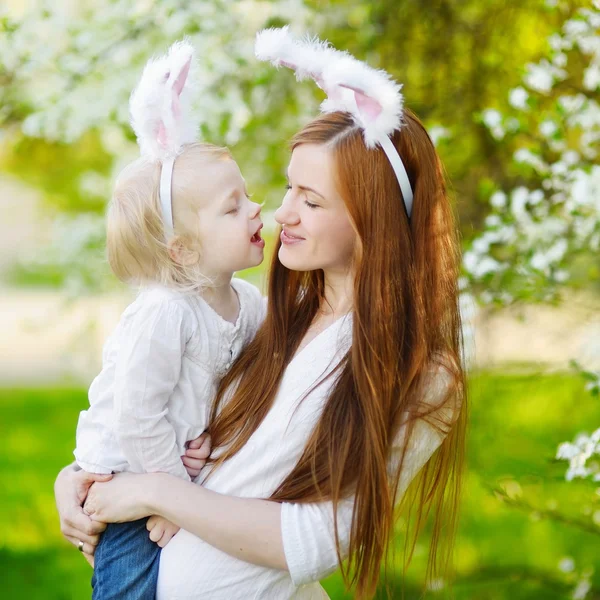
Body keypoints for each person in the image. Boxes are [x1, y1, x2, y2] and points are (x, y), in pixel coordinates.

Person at [55, 29, 466, 599]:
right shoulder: (273, 318)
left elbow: (318, 540)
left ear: (376, 222)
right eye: (290, 188)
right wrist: (77, 481)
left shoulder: (425, 374)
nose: (281, 212)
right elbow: (159, 407)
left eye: (311, 200)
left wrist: (156, 493)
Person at [71, 40, 266, 599]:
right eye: (233, 206)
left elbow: (248, 383)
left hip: (177, 472)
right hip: (128, 479)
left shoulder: (248, 303)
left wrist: (212, 442)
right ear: (181, 250)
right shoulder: (165, 313)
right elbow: (136, 416)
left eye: (248, 196)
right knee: (132, 589)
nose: (256, 208)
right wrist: (172, 494)